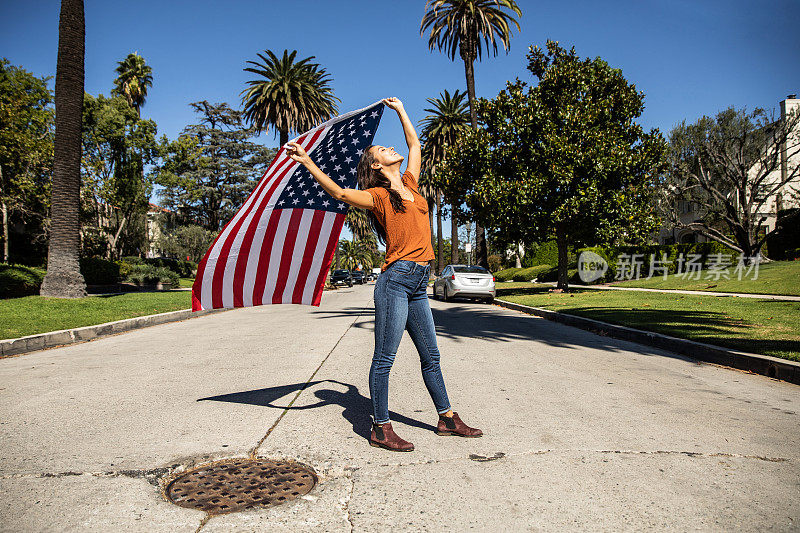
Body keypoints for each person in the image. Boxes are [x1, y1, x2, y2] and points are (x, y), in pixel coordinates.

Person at [286, 97, 482, 452]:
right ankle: (380, 427)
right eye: (382, 149)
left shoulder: (411, 182)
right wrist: (306, 161)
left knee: (431, 356)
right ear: (376, 165)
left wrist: (401, 110)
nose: (392, 147)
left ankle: (447, 417)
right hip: (395, 281)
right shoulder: (377, 195)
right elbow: (340, 192)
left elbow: (415, 144)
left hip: (420, 282)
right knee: (385, 357)